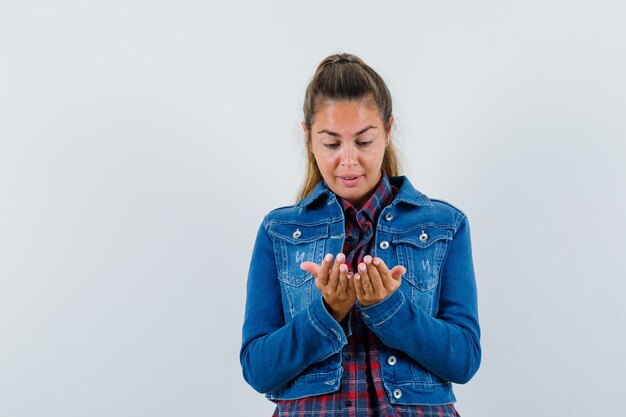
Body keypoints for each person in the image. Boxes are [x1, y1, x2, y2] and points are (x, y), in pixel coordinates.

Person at [240, 53, 481, 417]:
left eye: (364, 142)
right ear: (308, 138)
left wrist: (389, 309)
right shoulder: (279, 231)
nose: (349, 161)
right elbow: (257, 369)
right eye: (332, 144)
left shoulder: (445, 225)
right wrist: (327, 312)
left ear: (388, 130)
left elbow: (464, 360)